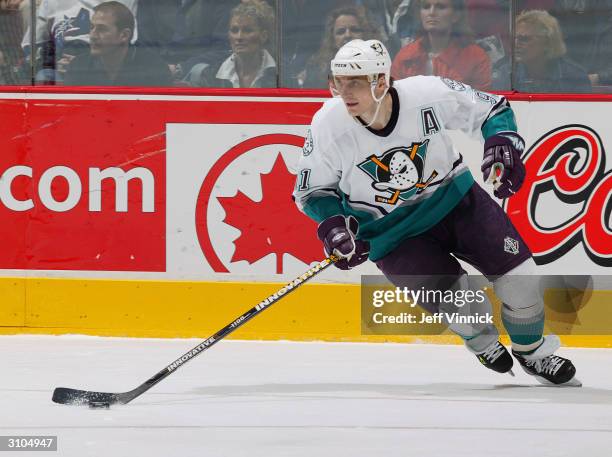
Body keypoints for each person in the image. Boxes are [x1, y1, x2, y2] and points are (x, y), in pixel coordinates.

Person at [293, 38, 581, 386]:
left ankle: (534, 353)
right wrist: (334, 226)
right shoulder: (328, 125)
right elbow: (312, 191)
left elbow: (491, 109)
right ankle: (482, 342)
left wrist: (501, 142)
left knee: (521, 280)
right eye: (338, 81)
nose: (345, 91)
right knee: (463, 307)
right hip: (392, 235)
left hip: (456, 201)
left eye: (356, 81)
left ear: (381, 82)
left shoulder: (427, 94)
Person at [21, 0, 137, 84]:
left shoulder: (124, 3)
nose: (93, 33)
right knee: (44, 77)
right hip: (60, 65)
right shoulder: (52, 2)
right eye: (91, 27)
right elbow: (33, 45)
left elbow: (130, 42)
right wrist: (54, 62)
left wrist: (82, 62)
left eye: (100, 28)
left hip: (99, 64)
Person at [64, 1, 172, 86]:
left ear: (124, 35)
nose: (93, 36)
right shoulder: (78, 67)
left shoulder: (154, 69)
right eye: (92, 27)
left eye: (101, 29)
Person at [391, 0, 491, 90]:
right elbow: (394, 101)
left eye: (441, 7)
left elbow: (482, 105)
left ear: (456, 16)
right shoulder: (405, 57)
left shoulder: (476, 58)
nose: (431, 12)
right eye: (426, 6)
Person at [182, 0, 276, 88]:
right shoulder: (209, 75)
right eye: (234, 30)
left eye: (247, 30)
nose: (239, 37)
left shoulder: (285, 74)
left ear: (263, 36)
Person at [492, 10, 591, 93]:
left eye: (525, 39)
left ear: (547, 42)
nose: (516, 44)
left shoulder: (574, 77)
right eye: (515, 38)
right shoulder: (505, 74)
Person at [301, 6, 379, 89]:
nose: (348, 35)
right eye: (341, 31)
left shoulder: (379, 65)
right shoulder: (317, 69)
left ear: (365, 35)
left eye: (355, 30)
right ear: (332, 38)